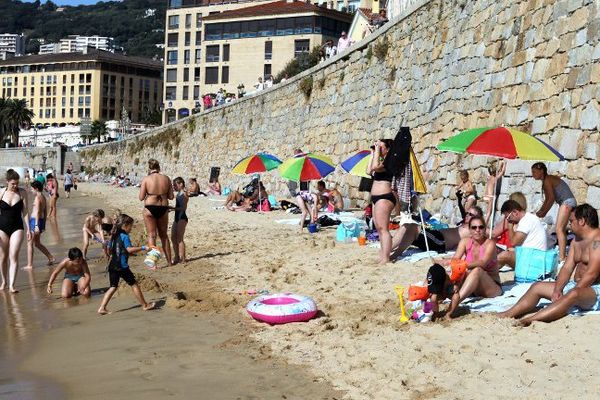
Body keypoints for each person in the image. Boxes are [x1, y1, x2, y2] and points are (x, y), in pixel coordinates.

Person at [498, 204, 600, 325]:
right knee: (537, 287)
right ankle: (508, 314)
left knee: (574, 293)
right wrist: (558, 290)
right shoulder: (576, 241)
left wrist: (572, 290)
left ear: (582, 221)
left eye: (571, 221)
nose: (569, 224)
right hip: (577, 285)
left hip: (594, 289)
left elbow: (592, 274)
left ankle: (530, 320)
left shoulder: (597, 242)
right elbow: (567, 268)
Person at [441, 216, 502, 319]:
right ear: (469, 230)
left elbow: (482, 263)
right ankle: (432, 301)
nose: (477, 230)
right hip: (473, 286)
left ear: (485, 229)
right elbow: (455, 260)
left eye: (481, 227)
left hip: (492, 287)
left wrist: (462, 265)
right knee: (440, 271)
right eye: (474, 228)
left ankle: (454, 304)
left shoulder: (490, 244)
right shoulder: (465, 242)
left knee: (477, 270)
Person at [97, 214, 156, 315]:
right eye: (131, 226)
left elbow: (110, 249)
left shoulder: (114, 235)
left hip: (112, 265)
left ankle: (102, 308)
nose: (131, 229)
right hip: (122, 266)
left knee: (113, 286)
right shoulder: (125, 236)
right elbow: (128, 249)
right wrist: (143, 248)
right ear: (125, 225)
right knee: (134, 284)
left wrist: (124, 253)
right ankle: (145, 305)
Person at [531, 162, 577, 263]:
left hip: (566, 202)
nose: (532, 174)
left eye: (534, 172)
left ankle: (562, 258)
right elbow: (547, 199)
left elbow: (551, 199)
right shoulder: (547, 181)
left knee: (559, 229)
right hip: (567, 202)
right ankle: (565, 255)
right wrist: (541, 212)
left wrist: (542, 213)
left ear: (541, 171)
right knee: (568, 229)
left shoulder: (547, 180)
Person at [367, 139, 397, 265]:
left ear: (388, 149)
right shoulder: (380, 161)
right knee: (379, 228)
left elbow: (375, 167)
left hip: (384, 197)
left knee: (384, 228)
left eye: (381, 147)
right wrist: (373, 153)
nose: (379, 148)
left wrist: (377, 152)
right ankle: (383, 254)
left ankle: (386, 258)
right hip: (376, 198)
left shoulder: (390, 161)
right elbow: (369, 171)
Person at [139, 159, 174, 268]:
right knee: (164, 236)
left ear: (149, 168)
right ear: (159, 167)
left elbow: (140, 197)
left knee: (151, 235)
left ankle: (152, 264)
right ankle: (169, 262)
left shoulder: (146, 179)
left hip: (150, 207)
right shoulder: (166, 179)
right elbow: (171, 196)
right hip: (163, 207)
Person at [0, 170, 31, 293]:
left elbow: (25, 212)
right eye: (13, 183)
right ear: (7, 182)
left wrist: (29, 228)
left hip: (17, 227)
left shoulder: (22, 193)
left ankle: (12, 285)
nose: (15, 186)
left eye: (17, 183)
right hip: (2, 227)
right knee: (3, 257)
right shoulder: (1, 193)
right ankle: (4, 281)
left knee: (13, 256)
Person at [497, 200, 548, 269]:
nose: (508, 220)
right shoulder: (529, 218)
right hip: (534, 257)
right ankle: (490, 274)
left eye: (508, 217)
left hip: (533, 261)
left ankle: (487, 274)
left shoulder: (526, 221)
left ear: (515, 212)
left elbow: (513, 242)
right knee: (509, 251)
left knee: (504, 256)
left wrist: (510, 227)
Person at [23, 180, 55, 269]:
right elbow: (45, 212)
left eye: (32, 189)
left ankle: (29, 265)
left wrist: (36, 226)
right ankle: (50, 257)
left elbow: (37, 212)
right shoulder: (43, 197)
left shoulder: (37, 198)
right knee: (37, 243)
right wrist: (43, 224)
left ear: (36, 189)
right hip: (40, 221)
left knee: (29, 243)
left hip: (35, 222)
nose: (31, 190)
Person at [171, 177, 188, 264]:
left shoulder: (184, 194)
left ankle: (183, 258)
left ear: (181, 184)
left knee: (179, 239)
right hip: (177, 217)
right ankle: (176, 256)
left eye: (175, 185)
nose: (174, 187)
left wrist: (173, 208)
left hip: (182, 217)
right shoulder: (178, 194)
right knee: (173, 237)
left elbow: (183, 208)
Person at [482, 161, 506, 225]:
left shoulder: (489, 178)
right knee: (489, 213)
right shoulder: (494, 178)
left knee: (486, 213)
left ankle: (484, 224)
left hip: (485, 196)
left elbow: (497, 171)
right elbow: (502, 172)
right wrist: (504, 164)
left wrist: (500, 164)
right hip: (490, 197)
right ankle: (484, 226)